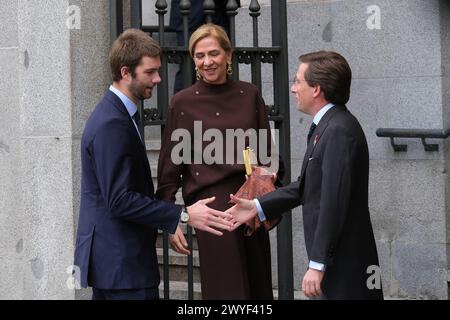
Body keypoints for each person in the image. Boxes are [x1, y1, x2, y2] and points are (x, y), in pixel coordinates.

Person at [73, 28, 233, 300]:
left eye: (158, 70)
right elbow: (120, 200)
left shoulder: (122, 113)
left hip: (120, 264)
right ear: (126, 72)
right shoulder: (112, 122)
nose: (158, 79)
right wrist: (181, 215)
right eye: (150, 72)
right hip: (121, 266)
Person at [228, 51, 384, 300]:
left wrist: (318, 263)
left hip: (344, 266)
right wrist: (257, 205)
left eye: (297, 81)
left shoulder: (338, 130)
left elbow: (333, 201)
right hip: (337, 264)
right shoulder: (328, 126)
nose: (292, 88)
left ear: (316, 89)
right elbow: (306, 186)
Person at [156, 23, 279, 299]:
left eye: (213, 53)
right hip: (213, 212)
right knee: (228, 292)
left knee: (258, 289)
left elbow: (268, 156)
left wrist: (266, 204)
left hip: (249, 206)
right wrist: (170, 217)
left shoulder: (250, 95)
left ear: (228, 55)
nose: (207, 61)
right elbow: (169, 167)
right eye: (200, 56)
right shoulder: (182, 103)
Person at [169, 0, 240, 93]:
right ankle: (182, 106)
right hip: (191, 15)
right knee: (188, 70)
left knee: (220, 68)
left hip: (218, 14)